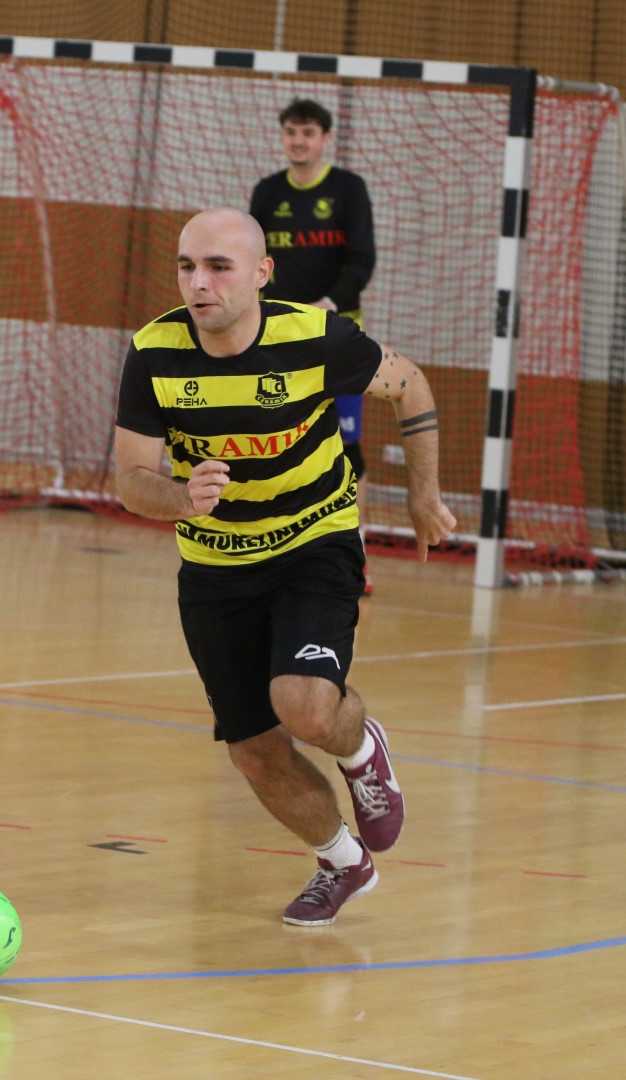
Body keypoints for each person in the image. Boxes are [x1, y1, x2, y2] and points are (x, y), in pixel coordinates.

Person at [113, 208, 454, 926]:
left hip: (313, 542)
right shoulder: (153, 353)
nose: (198, 283)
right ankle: (342, 862)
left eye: (218, 267)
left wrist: (423, 496)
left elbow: (411, 385)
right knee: (254, 753)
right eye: (186, 267)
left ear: (262, 274)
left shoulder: (317, 338)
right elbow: (131, 480)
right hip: (215, 568)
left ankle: (361, 748)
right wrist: (182, 497)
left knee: (303, 705)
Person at [248, 99, 377, 591]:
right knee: (272, 439)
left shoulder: (348, 189)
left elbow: (362, 260)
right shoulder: (268, 192)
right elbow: (252, 259)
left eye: (307, 133)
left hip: (334, 336)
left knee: (346, 446)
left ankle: (354, 557)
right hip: (278, 335)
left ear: (325, 138)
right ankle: (271, 549)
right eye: (291, 132)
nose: (298, 141)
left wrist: (327, 305)